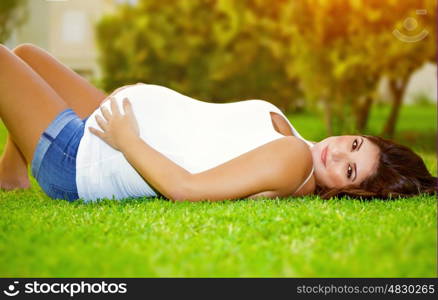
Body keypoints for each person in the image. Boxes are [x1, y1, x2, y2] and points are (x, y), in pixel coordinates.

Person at [0, 44, 435, 202]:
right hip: (108, 125)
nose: (338, 151)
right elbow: (200, 126)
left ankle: (28, 169)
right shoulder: (298, 143)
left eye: (349, 169)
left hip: (84, 159)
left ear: (349, 191)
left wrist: (127, 138)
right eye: (356, 145)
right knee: (27, 55)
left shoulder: (292, 160)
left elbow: (186, 189)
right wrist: (135, 99)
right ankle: (11, 177)